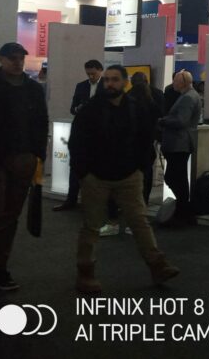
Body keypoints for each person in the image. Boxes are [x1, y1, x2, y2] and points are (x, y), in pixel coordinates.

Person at [69, 64, 178, 293]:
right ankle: (85, 273)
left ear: (125, 82)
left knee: (139, 221)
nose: (109, 83)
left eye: (115, 79)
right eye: (107, 79)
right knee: (91, 226)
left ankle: (157, 265)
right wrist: (84, 173)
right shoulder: (90, 110)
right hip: (95, 177)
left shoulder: (136, 108)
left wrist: (140, 168)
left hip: (129, 176)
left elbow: (145, 139)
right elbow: (77, 142)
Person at [0, 42, 48, 291]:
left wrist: (37, 155)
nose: (18, 62)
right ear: (2, 60)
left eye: (20, 58)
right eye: (13, 58)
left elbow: (41, 122)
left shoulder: (33, 89)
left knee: (10, 216)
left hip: (23, 159)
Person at [54, 59, 105, 212]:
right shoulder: (81, 86)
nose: (91, 76)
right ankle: (71, 199)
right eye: (88, 74)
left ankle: (98, 204)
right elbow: (73, 108)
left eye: (93, 73)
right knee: (76, 167)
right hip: (82, 132)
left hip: (100, 133)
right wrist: (78, 108)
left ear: (100, 71)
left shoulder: (107, 86)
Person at [158, 70, 202, 226]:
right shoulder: (191, 95)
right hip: (181, 143)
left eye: (176, 81)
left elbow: (182, 121)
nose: (173, 84)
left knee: (174, 177)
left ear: (183, 82)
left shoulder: (187, 97)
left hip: (179, 143)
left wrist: (163, 121)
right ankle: (184, 211)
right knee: (179, 178)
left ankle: (184, 211)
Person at [128, 72, 163, 205]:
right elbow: (161, 114)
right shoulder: (156, 95)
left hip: (131, 141)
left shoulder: (128, 96)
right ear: (147, 81)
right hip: (148, 140)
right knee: (147, 171)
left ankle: (133, 200)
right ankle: (144, 199)